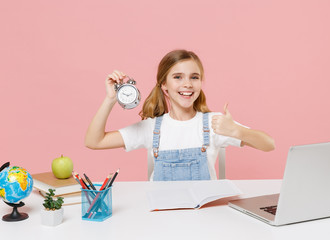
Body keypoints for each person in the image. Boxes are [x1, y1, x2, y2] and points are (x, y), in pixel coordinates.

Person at [85, 49, 275, 181]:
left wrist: (237, 131)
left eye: (194, 77)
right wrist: (110, 99)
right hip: (161, 216)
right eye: (178, 77)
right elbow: (94, 142)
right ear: (164, 85)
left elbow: (269, 144)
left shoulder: (213, 122)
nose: (187, 84)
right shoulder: (151, 128)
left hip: (204, 215)